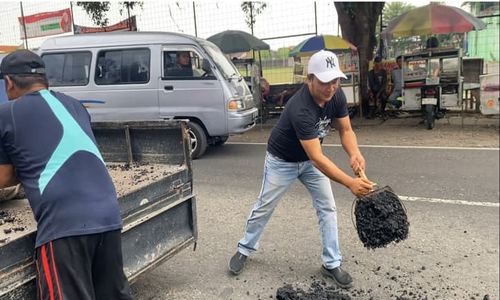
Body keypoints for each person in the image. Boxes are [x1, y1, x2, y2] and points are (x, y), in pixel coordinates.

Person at [228, 50, 374, 289]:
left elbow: (346, 130)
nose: (331, 87)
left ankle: (331, 263)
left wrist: (354, 153)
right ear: (310, 79)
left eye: (335, 81)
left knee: (327, 206)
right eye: (325, 82)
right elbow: (317, 158)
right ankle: (244, 248)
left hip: (309, 162)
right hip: (282, 161)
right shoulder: (300, 108)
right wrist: (350, 183)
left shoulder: (336, 96)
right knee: (265, 206)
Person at [0, 50, 132, 300]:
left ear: (9, 82)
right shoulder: (75, 106)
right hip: (108, 215)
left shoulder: (6, 114)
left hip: (64, 225)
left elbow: (4, 178)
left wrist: (24, 169)